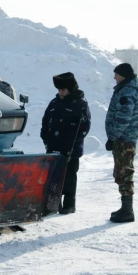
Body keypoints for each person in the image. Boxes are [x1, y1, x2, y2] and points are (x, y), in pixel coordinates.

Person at [40, 72, 91, 215]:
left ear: (70, 89)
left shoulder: (80, 104)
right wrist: (45, 136)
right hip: (53, 147)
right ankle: (53, 204)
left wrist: (71, 145)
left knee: (69, 175)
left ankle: (69, 203)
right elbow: (45, 120)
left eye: (63, 89)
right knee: (53, 176)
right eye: (59, 89)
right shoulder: (54, 102)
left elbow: (84, 128)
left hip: (71, 149)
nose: (60, 92)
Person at [105, 63, 138, 223]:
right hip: (125, 137)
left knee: (124, 172)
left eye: (116, 74)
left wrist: (113, 137)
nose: (114, 77)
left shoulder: (127, 92)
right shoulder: (128, 89)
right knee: (122, 172)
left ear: (123, 75)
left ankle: (127, 210)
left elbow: (123, 118)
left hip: (123, 139)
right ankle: (126, 208)